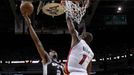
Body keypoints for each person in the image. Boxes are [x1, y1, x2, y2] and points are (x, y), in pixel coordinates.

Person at [20, 1, 64, 75]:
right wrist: (30, 25)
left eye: (53, 51)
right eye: (51, 51)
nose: (53, 51)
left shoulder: (62, 65)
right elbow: (37, 42)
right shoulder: (47, 59)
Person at [64, 1, 94, 74]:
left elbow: (72, 29)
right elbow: (89, 69)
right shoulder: (91, 53)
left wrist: (67, 11)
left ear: (83, 36)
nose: (80, 35)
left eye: (82, 34)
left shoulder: (78, 41)